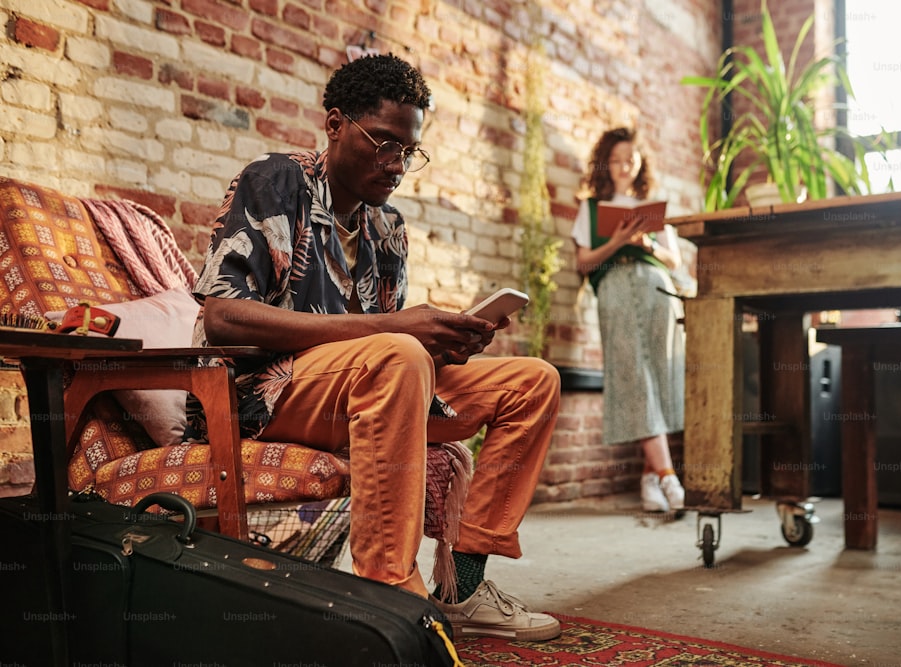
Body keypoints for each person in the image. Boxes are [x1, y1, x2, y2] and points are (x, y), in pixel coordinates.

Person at [190, 53, 561, 641]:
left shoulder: (387, 226)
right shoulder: (275, 181)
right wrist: (400, 337)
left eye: (408, 151)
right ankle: (388, 588)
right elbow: (223, 317)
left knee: (532, 381)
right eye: (383, 142)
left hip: (365, 387)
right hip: (263, 398)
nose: (397, 164)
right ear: (335, 124)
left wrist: (444, 345)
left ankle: (462, 584)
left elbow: (389, 352)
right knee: (400, 353)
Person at [571, 127, 686, 513]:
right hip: (616, 289)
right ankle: (668, 476)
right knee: (632, 374)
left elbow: (675, 261)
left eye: (631, 159)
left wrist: (647, 242)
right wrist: (619, 239)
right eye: (617, 160)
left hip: (657, 290)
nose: (624, 166)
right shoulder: (590, 208)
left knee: (661, 374)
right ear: (606, 164)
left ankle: (649, 478)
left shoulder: (651, 208)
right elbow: (583, 262)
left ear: (640, 164)